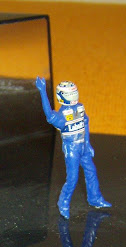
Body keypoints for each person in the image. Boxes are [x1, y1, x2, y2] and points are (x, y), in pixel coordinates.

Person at [35, 77, 110, 219]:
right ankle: (63, 202)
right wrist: (42, 91)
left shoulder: (80, 107)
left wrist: (87, 143)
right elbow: (49, 115)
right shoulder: (62, 115)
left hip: (83, 146)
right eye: (70, 94)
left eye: (74, 93)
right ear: (62, 96)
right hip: (72, 149)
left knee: (91, 171)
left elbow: (85, 123)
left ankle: (95, 198)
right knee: (73, 178)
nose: (74, 97)